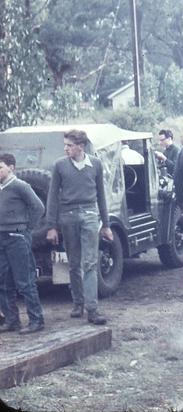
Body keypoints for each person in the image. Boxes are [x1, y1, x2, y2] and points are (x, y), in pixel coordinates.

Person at [44, 130, 114, 325]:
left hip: (90, 216)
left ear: (81, 147)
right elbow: (52, 197)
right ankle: (78, 303)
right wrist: (51, 226)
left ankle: (92, 309)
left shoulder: (96, 164)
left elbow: (101, 195)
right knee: (74, 263)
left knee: (90, 263)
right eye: (65, 145)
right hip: (68, 217)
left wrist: (106, 225)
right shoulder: (59, 166)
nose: (65, 148)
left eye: (69, 145)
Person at [0, 154, 46, 334]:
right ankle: (12, 320)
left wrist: (26, 229)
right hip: (1, 238)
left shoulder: (20, 186)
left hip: (17, 238)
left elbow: (39, 208)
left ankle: (37, 320)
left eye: (1, 167)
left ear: (11, 167)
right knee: (4, 282)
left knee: (25, 282)